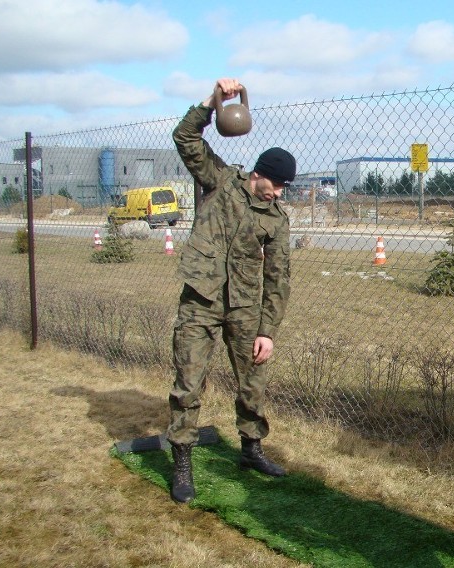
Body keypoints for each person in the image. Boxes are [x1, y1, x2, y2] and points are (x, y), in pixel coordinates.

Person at [167, 78, 295, 503]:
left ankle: (252, 449)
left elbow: (278, 279)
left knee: (252, 382)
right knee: (189, 380)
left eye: (283, 189)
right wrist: (213, 102)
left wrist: (267, 331)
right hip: (201, 300)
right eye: (276, 184)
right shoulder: (220, 181)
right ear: (259, 174)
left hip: (244, 309)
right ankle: (182, 461)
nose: (279, 193)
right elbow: (185, 137)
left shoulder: (276, 219)